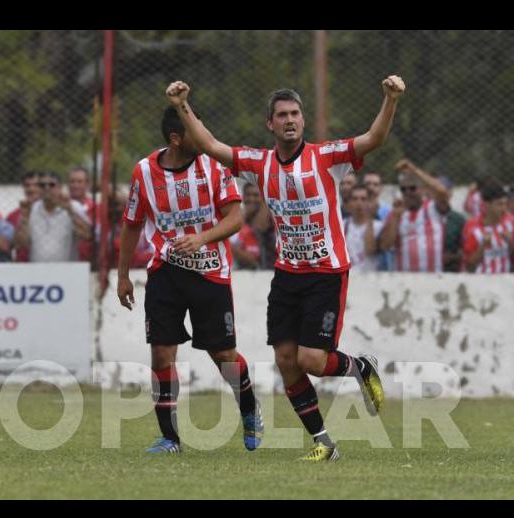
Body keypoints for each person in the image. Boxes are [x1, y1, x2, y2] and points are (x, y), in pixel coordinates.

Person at [165, 74, 403, 461]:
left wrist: (390, 99)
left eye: (295, 113)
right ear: (270, 124)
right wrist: (182, 106)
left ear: (303, 121)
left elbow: (373, 139)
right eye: (282, 115)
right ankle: (323, 444)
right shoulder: (259, 164)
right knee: (286, 362)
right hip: (288, 275)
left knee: (312, 359)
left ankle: (361, 367)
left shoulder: (327, 157)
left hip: (326, 273)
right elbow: (209, 144)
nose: (290, 119)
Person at [117, 106, 263, 455]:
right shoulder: (144, 172)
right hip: (165, 272)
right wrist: (122, 275)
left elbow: (235, 219)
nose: (203, 135)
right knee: (161, 354)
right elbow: (132, 223)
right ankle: (170, 439)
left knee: (223, 355)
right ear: (175, 138)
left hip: (210, 271)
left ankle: (249, 411)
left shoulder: (215, 166)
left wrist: (203, 237)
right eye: (193, 130)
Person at [379, 159, 451, 272]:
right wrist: (395, 217)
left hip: (433, 278)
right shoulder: (395, 213)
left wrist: (414, 170)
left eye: (412, 188)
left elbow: (442, 192)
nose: (408, 192)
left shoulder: (432, 208)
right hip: (404, 280)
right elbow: (386, 245)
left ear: (422, 189)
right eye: (403, 189)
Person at [13, 171, 92, 262]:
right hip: (38, 271)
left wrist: (70, 211)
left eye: (52, 185)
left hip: (67, 271)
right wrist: (24, 217)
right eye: (42, 185)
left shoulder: (74, 206)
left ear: (60, 187)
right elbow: (20, 245)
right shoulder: (31, 209)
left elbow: (87, 235)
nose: (47, 188)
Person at [463, 180, 513, 273]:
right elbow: (469, 266)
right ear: (487, 204)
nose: (503, 208)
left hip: (507, 284)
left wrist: (511, 242)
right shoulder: (473, 227)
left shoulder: (511, 222)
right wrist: (483, 246)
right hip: (482, 283)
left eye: (505, 204)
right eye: (499, 204)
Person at [230, 181, 274, 270]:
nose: (251, 199)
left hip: (267, 271)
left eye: (255, 195)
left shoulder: (271, 217)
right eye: (248, 195)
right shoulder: (238, 217)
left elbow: (260, 226)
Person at [343, 185, 383, 272]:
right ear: (349, 203)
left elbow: (370, 250)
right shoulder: (342, 225)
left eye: (363, 199)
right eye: (355, 199)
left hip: (371, 281)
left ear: (369, 202)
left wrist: (370, 220)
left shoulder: (379, 226)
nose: (359, 203)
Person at [6, 171, 42, 262]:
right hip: (22, 266)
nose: (31, 189)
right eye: (27, 185)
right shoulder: (13, 216)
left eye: (35, 185)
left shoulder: (50, 213)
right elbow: (9, 245)